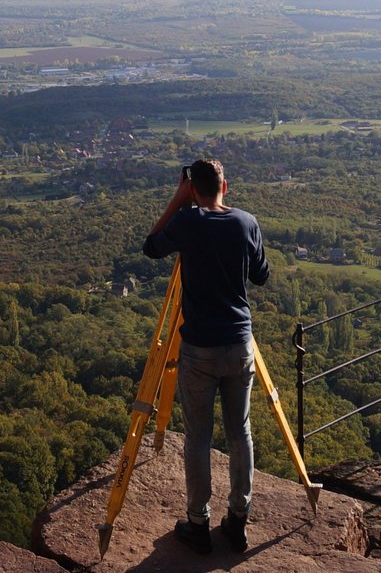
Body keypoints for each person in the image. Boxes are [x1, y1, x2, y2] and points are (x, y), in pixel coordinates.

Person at [143, 157, 271, 554]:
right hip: (239, 344)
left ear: (192, 189)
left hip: (199, 347)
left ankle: (198, 523)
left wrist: (177, 203)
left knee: (198, 437)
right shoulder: (245, 222)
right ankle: (238, 520)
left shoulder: (186, 222)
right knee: (240, 432)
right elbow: (261, 276)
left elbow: (151, 247)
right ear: (225, 187)